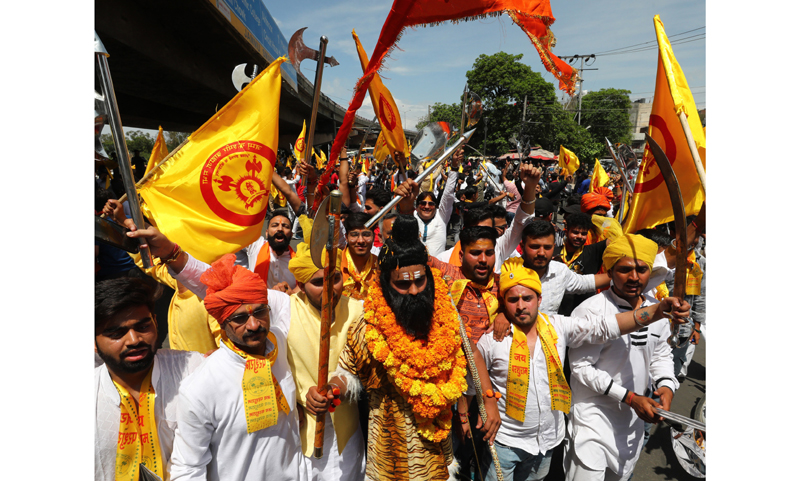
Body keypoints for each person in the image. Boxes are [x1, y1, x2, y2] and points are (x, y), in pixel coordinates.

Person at [306, 215, 501, 481]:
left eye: (420, 281)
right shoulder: (370, 323)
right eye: (402, 284)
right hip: (390, 451)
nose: (414, 291)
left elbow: (471, 352)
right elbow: (346, 371)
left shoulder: (444, 314)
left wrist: (489, 399)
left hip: (436, 444)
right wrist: (331, 389)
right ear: (386, 283)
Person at [475, 258, 689, 481]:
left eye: (527, 298)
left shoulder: (558, 326)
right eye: (513, 300)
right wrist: (476, 409)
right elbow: (472, 381)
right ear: (504, 302)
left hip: (547, 441)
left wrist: (657, 311)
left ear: (539, 299)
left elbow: (604, 327)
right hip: (506, 441)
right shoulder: (492, 340)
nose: (520, 306)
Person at [169, 254, 306, 481]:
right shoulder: (200, 388)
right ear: (222, 323)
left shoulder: (280, 343)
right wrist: (172, 254)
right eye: (240, 318)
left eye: (260, 312)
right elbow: (187, 469)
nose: (253, 325)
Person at [564, 234, 681, 481]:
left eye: (642, 270)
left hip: (632, 421)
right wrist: (629, 398)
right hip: (592, 419)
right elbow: (581, 368)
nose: (634, 277)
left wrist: (666, 387)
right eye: (625, 269)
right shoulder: (591, 309)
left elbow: (661, 355)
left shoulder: (658, 310)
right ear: (609, 271)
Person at [95, 277, 205, 481]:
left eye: (143, 326)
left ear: (155, 321)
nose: (134, 340)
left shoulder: (194, 369)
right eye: (117, 333)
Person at [287, 232, 366, 480]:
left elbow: (363, 368)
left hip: (348, 430)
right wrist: (298, 398)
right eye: (319, 282)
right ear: (301, 286)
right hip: (301, 431)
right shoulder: (284, 310)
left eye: (335, 278)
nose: (330, 288)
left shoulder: (358, 311)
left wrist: (338, 386)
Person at [340, 212, 379, 301]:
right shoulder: (334, 264)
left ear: (373, 237)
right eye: (354, 235)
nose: (361, 240)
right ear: (346, 237)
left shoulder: (381, 265)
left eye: (366, 235)